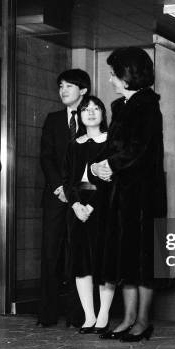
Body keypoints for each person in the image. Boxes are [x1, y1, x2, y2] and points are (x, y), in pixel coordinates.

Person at [91, 47, 167, 342]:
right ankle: (128, 317)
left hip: (142, 195)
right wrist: (100, 165)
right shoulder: (121, 106)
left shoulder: (147, 105)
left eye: (113, 73)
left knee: (143, 260)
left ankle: (144, 321)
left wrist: (111, 165)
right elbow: (115, 147)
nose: (110, 79)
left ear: (127, 74)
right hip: (122, 194)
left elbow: (139, 149)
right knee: (125, 258)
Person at [38, 69, 90, 327]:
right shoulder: (53, 119)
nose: (62, 90)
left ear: (83, 90)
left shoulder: (93, 117)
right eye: (60, 85)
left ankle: (77, 314)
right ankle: (47, 313)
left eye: (68, 86)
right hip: (55, 197)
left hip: (82, 198)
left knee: (77, 254)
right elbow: (45, 156)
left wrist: (73, 191)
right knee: (50, 253)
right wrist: (59, 187)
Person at [62, 95, 112, 334]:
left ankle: (103, 315)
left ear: (103, 113)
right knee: (81, 264)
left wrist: (90, 207)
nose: (90, 112)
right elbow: (67, 180)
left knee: (103, 262)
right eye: (85, 109)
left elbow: (111, 183)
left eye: (96, 108)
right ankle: (89, 316)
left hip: (102, 208)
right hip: (76, 208)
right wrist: (75, 205)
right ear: (79, 115)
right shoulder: (73, 144)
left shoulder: (111, 142)